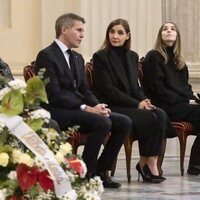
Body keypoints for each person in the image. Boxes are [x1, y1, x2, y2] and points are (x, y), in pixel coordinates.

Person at [35, 13, 132, 188]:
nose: (82, 34)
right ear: (64, 30)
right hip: (56, 111)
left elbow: (85, 89)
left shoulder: (77, 58)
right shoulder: (46, 55)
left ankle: (101, 171)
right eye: (79, 30)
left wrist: (96, 105)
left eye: (83, 31)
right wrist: (85, 108)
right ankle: (85, 174)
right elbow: (53, 94)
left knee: (123, 122)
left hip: (76, 109)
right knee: (101, 123)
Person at [92, 19, 175, 183]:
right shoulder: (100, 56)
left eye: (120, 33)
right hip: (112, 104)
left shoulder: (132, 56)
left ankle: (146, 162)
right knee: (149, 117)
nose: (115, 36)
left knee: (159, 113)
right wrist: (137, 104)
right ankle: (149, 165)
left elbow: (134, 87)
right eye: (112, 32)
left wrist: (144, 100)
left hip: (130, 103)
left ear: (127, 36)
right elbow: (109, 90)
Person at [142, 22, 200, 175]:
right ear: (160, 35)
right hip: (162, 105)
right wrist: (185, 101)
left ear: (177, 36)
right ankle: (195, 164)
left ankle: (195, 164)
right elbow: (157, 89)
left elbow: (186, 88)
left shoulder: (179, 62)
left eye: (172, 29)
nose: (169, 31)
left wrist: (193, 99)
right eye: (165, 29)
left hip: (179, 105)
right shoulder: (154, 56)